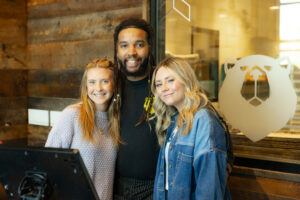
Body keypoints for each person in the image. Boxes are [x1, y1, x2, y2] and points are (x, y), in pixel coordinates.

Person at [151, 57, 232, 199]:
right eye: (158, 84)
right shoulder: (174, 121)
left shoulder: (204, 120)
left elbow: (209, 188)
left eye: (170, 80)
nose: (163, 88)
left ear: (186, 80)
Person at [45, 58, 120, 200]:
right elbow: (48, 163)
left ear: (114, 85)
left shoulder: (116, 120)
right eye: (92, 82)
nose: (98, 88)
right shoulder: (72, 114)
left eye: (104, 81)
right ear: (86, 86)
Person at [112, 18, 160, 199]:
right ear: (117, 51)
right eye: (124, 46)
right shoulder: (109, 87)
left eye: (139, 44)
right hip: (114, 187)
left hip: (156, 187)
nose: (131, 52)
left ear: (149, 47)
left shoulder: (165, 83)